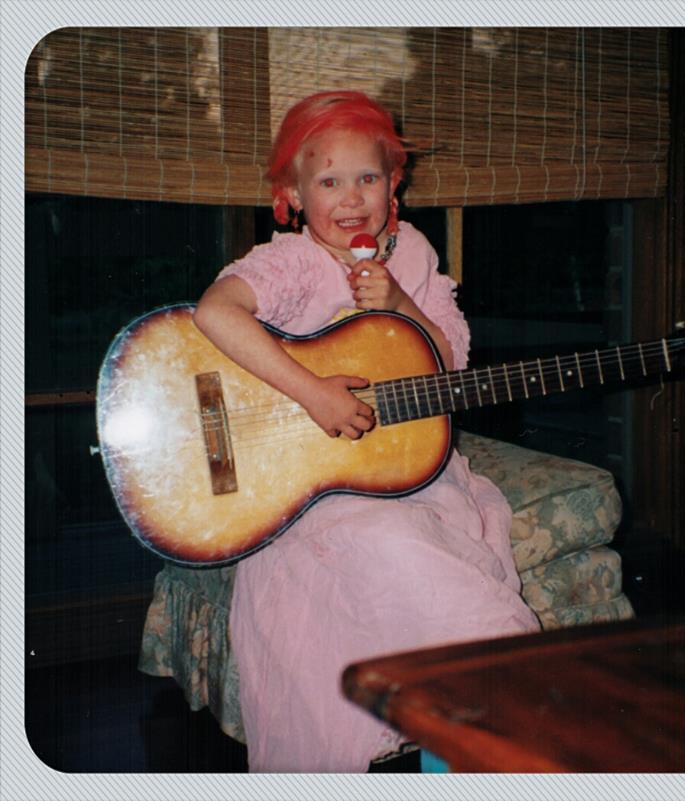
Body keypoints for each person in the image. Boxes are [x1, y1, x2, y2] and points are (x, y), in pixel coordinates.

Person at [192, 91, 541, 772]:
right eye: (328, 182)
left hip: (412, 473)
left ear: (394, 186)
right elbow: (214, 313)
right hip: (309, 488)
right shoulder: (294, 262)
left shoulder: (413, 252)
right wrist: (312, 391)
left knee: (442, 578)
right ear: (292, 195)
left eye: (368, 178)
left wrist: (401, 302)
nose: (351, 198)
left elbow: (451, 366)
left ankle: (463, 743)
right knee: (386, 550)